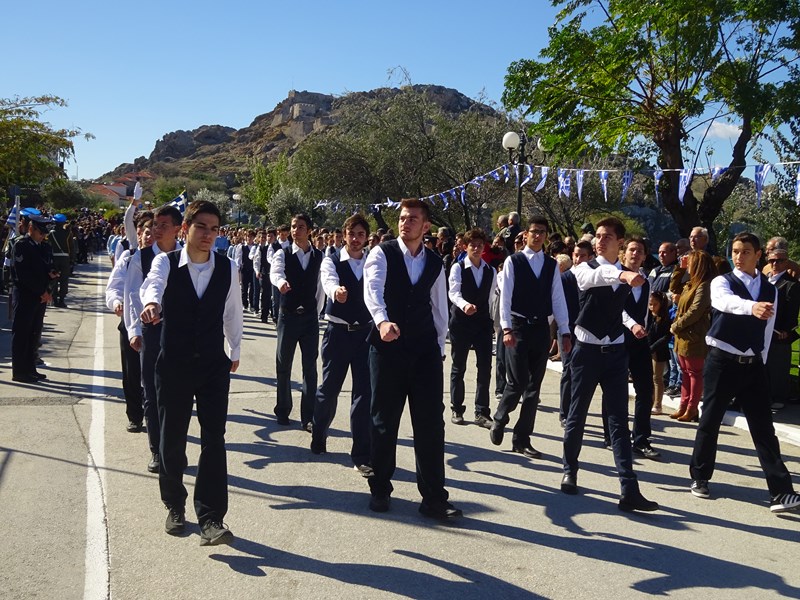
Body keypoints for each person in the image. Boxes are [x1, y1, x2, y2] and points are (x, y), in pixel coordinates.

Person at [140, 200, 243, 544]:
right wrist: (151, 303)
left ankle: (212, 517)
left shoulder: (227, 267)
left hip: (213, 364)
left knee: (214, 439)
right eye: (201, 227)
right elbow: (153, 284)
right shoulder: (166, 262)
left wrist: (235, 348)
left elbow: (232, 310)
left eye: (214, 229)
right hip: (175, 363)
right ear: (186, 229)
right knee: (172, 438)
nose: (208, 235)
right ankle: (174, 505)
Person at [688, 232, 800, 513]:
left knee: (764, 428)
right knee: (710, 420)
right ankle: (700, 475)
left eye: (745, 251)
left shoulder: (770, 289)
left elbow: (767, 331)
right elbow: (724, 303)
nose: (738, 257)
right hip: (722, 361)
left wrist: (761, 360)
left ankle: (782, 492)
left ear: (758, 255)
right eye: (735, 251)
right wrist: (752, 307)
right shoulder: (722, 282)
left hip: (753, 364)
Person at [364, 198, 461, 519]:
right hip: (387, 350)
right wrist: (382, 321)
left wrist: (439, 347)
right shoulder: (383, 253)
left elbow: (439, 308)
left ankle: (433, 498)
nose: (405, 223)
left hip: (424, 352)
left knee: (431, 424)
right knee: (384, 421)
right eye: (403, 218)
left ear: (426, 226)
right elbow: (372, 290)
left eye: (413, 219)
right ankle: (380, 488)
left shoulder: (434, 262)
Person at [561, 216, 658, 513]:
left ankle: (629, 489)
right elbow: (599, 277)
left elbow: (622, 310)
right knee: (577, 414)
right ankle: (570, 470)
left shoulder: (628, 275)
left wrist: (632, 324)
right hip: (586, 352)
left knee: (618, 421)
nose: (600, 240)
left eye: (607, 237)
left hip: (615, 353)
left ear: (620, 242)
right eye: (598, 236)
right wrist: (623, 275)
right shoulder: (584, 269)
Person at [490, 216, 571, 458]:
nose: (537, 236)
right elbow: (505, 297)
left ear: (546, 236)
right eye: (534, 231)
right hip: (518, 327)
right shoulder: (514, 261)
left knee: (534, 388)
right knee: (517, 382)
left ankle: (522, 438)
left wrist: (565, 330)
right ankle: (500, 417)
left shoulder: (550, 265)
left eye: (542, 232)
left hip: (540, 329)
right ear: (526, 234)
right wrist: (506, 328)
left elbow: (558, 298)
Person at [312, 214, 373, 475]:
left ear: (366, 238)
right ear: (344, 235)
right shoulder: (332, 260)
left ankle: (361, 454)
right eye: (352, 234)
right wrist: (336, 291)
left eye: (361, 234)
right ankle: (319, 432)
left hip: (365, 335)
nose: (356, 239)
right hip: (337, 333)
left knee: (364, 394)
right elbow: (328, 281)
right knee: (329, 389)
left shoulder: (372, 262)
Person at [126, 204, 183, 473]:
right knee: (151, 392)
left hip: (181, 333)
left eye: (163, 225)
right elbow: (131, 294)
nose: (157, 230)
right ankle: (157, 450)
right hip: (151, 331)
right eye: (154, 225)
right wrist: (134, 330)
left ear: (178, 229)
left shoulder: (188, 256)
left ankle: (175, 448)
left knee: (178, 395)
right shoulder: (142, 257)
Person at [270, 214, 323, 430]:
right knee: (283, 364)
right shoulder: (282, 254)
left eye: (300, 227)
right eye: (293, 226)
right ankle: (283, 409)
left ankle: (308, 417)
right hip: (288, 316)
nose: (295, 230)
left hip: (309, 318)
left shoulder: (319, 256)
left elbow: (320, 288)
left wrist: (315, 312)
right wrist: (281, 282)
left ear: (309, 230)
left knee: (310, 368)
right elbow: (275, 272)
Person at [105, 212, 153, 432]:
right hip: (130, 322)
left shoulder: (167, 258)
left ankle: (153, 414)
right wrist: (116, 302)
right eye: (145, 232)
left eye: (153, 232)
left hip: (156, 324)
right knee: (132, 372)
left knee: (154, 373)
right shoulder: (128, 257)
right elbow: (114, 286)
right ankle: (135, 415)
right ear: (138, 234)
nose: (149, 237)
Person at [617, 236, 661, 459]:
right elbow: (617, 309)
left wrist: (643, 329)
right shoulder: (615, 277)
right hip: (618, 338)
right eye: (632, 250)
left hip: (639, 340)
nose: (635, 254)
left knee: (645, 389)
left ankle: (641, 439)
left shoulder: (646, 281)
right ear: (624, 253)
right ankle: (614, 435)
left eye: (640, 251)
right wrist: (632, 325)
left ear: (644, 256)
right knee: (616, 389)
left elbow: (644, 311)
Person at [447, 228, 496, 429]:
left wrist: (493, 321)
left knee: (485, 367)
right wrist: (464, 305)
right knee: (459, 366)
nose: (476, 249)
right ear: (465, 247)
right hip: (461, 322)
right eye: (472, 245)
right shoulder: (458, 268)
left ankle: (482, 411)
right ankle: (457, 408)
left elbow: (491, 298)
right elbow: (453, 292)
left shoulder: (490, 271)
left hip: (482, 322)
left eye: (479, 245)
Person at [10, 214, 56, 383]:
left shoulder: (44, 247)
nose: (43, 236)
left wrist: (49, 287)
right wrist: (41, 292)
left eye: (45, 233)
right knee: (22, 333)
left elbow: (48, 269)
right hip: (26, 295)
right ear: (31, 228)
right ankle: (19, 371)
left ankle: (30, 368)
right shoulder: (21, 245)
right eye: (40, 232)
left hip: (40, 296)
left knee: (34, 333)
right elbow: (22, 275)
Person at [669, 251, 714, 422]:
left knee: (694, 372)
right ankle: (683, 405)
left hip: (693, 334)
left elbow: (696, 310)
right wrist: (680, 269)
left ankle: (692, 408)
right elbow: (674, 288)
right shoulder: (690, 283)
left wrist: (676, 325)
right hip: (683, 335)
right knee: (685, 372)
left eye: (690, 262)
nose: (687, 264)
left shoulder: (704, 285)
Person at [558, 240, 593, 427]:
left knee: (584, 373)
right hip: (568, 330)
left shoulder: (593, 278)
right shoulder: (565, 278)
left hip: (587, 332)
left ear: (590, 258)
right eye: (576, 255)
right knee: (569, 370)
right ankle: (565, 413)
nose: (578, 259)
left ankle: (577, 410)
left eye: (582, 256)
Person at [765, 248, 800, 409]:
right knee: (764, 365)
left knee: (778, 365)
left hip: (779, 332)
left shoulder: (791, 284)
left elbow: (792, 310)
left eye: (779, 261)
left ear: (786, 263)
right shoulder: (764, 279)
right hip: (764, 330)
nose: (775, 264)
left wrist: (786, 329)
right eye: (772, 260)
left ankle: (778, 396)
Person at [647, 291, 672, 415]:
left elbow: (666, 337)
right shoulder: (648, 316)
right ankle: (649, 401)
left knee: (657, 378)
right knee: (649, 377)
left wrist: (653, 347)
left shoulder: (665, 318)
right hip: (647, 349)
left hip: (659, 351)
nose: (652, 307)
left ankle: (658, 404)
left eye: (655, 304)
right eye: (650, 304)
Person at [48, 214, 72, 308]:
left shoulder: (51, 233)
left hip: (54, 257)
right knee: (64, 279)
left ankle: (55, 299)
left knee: (54, 278)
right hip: (65, 258)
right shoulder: (68, 233)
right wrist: (72, 259)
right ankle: (61, 300)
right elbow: (71, 246)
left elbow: (48, 245)